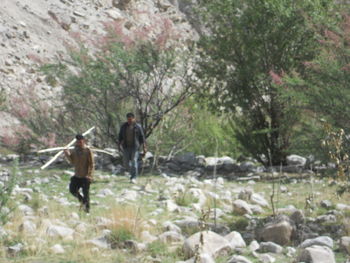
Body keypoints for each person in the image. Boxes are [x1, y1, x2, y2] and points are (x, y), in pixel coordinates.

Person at [64, 134, 94, 213]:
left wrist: (90, 175)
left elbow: (91, 164)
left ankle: (87, 210)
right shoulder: (74, 150)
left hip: (85, 176)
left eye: (80, 142)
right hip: (77, 175)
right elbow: (72, 162)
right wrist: (67, 154)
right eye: (77, 142)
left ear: (83, 141)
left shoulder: (87, 150)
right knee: (72, 190)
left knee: (86, 194)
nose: (79, 143)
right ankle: (82, 201)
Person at [118, 112, 147, 183]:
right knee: (125, 163)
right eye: (128, 119)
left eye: (131, 119)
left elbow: (142, 138)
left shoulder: (138, 127)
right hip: (126, 146)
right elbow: (120, 136)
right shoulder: (124, 126)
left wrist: (144, 147)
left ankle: (133, 177)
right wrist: (119, 145)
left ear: (134, 119)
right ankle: (132, 173)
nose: (129, 121)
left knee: (134, 161)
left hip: (135, 147)